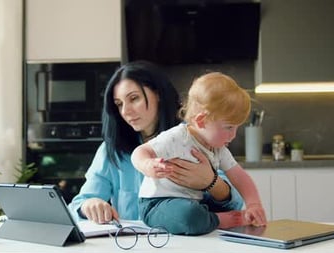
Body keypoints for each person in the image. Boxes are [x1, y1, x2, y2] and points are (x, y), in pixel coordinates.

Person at [68, 61, 243, 224]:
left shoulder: (197, 138)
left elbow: (234, 205)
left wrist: (210, 182)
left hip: (187, 247)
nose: (126, 111)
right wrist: (90, 205)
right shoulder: (111, 150)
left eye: (134, 98)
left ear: (158, 94)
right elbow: (78, 204)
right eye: (119, 104)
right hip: (134, 251)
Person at [131, 72, 267, 235]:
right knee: (189, 215)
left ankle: (208, 218)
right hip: (156, 204)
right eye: (229, 127)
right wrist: (147, 164)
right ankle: (218, 220)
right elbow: (140, 152)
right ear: (201, 121)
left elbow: (240, 176)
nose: (234, 135)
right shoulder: (177, 137)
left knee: (195, 209)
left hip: (191, 203)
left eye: (237, 128)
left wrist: (254, 204)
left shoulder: (219, 149)